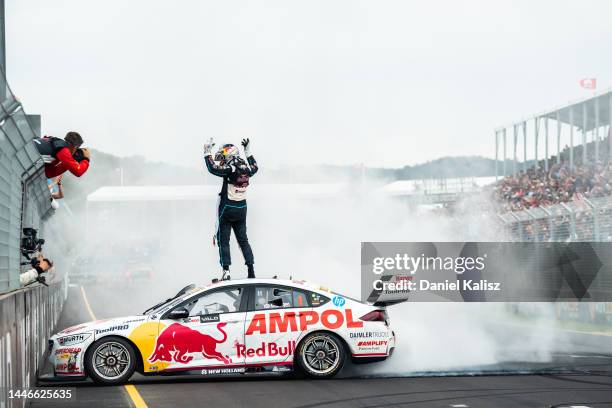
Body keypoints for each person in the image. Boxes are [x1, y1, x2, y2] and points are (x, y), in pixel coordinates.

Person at [204, 138, 258, 279]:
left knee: (224, 241)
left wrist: (207, 152)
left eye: (222, 157)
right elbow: (255, 167)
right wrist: (248, 152)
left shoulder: (230, 168)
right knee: (243, 241)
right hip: (242, 209)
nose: (221, 160)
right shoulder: (246, 168)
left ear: (228, 155)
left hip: (227, 209)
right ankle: (251, 271)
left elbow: (212, 168)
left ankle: (226, 271)